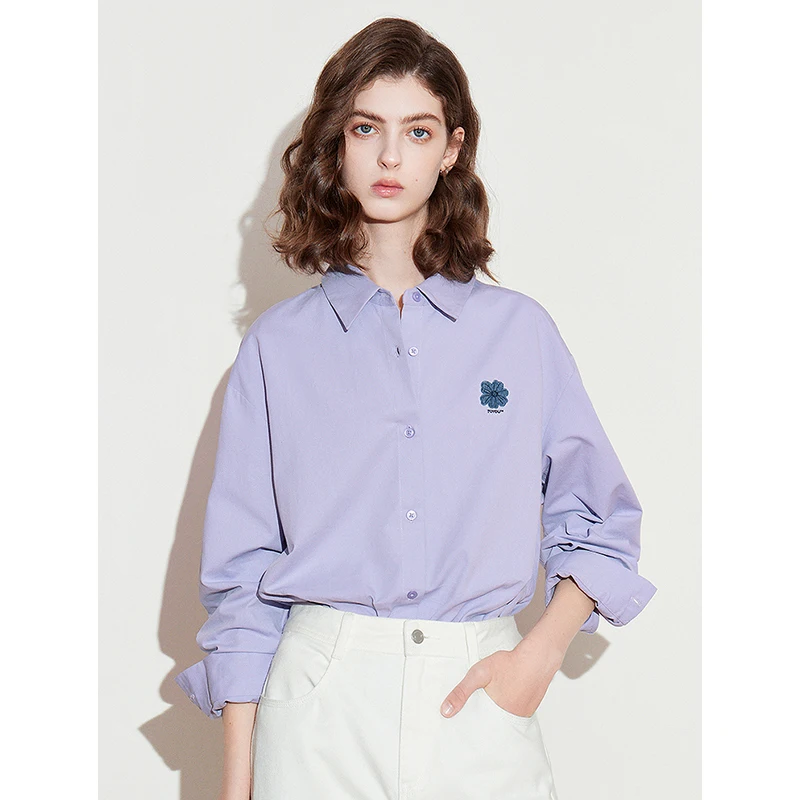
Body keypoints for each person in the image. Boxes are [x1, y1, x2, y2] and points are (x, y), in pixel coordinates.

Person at [175, 16, 657, 800]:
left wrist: (536, 660)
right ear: (337, 143)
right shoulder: (279, 348)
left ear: (452, 149)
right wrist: (237, 786)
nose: (391, 157)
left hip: (477, 694)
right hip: (318, 704)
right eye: (366, 128)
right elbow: (241, 582)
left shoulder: (519, 334)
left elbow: (600, 519)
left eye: (419, 131)